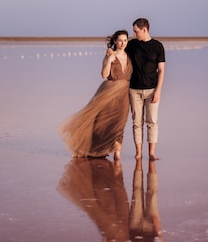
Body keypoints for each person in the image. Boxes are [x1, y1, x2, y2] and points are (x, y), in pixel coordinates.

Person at [59, 30, 133, 160]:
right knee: (102, 123)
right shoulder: (110, 56)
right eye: (120, 40)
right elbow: (104, 75)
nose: (122, 43)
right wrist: (109, 60)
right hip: (110, 92)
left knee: (120, 124)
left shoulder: (130, 56)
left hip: (124, 94)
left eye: (125, 40)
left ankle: (117, 154)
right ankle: (97, 148)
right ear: (115, 41)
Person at [125, 18, 165, 160]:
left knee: (152, 121)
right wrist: (110, 51)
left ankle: (152, 153)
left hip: (152, 89)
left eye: (136, 31)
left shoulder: (157, 46)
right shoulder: (132, 45)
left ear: (144, 29)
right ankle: (138, 153)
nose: (134, 34)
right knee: (137, 122)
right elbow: (119, 50)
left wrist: (158, 90)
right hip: (134, 89)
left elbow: (161, 70)